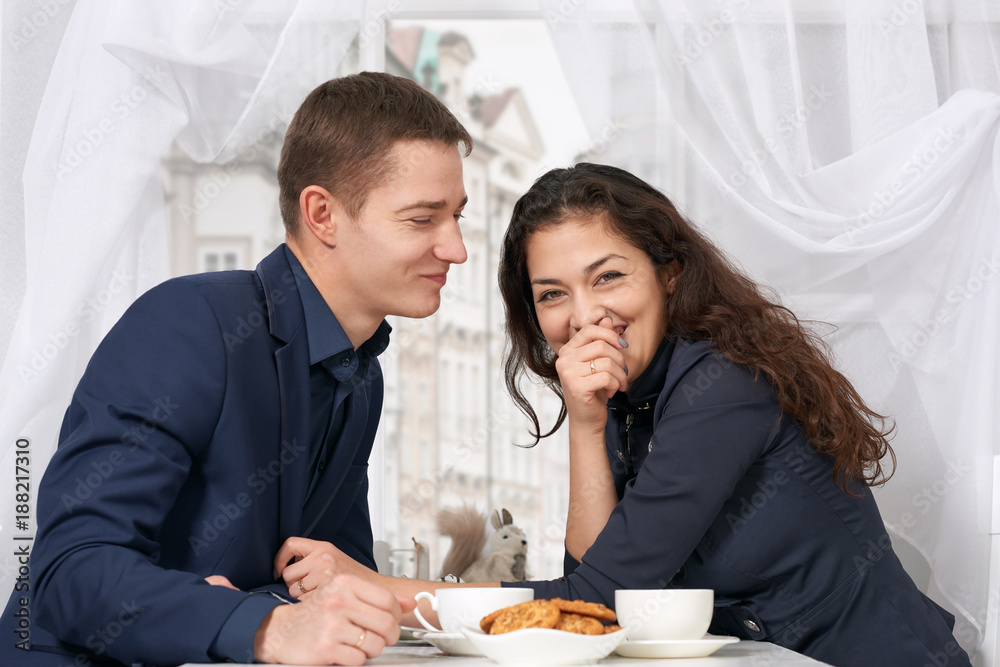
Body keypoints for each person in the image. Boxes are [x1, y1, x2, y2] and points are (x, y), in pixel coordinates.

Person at [276, 163, 971, 667]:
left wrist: (375, 589)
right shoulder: (628, 391)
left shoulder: (723, 385)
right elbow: (603, 586)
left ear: (668, 271)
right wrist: (584, 420)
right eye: (553, 294)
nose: (584, 316)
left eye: (607, 276)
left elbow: (593, 598)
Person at [0, 71, 472, 666]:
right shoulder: (190, 323)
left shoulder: (360, 372)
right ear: (322, 214)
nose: (456, 248)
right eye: (423, 219)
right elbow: (70, 571)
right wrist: (268, 625)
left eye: (456, 215)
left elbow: (332, 574)